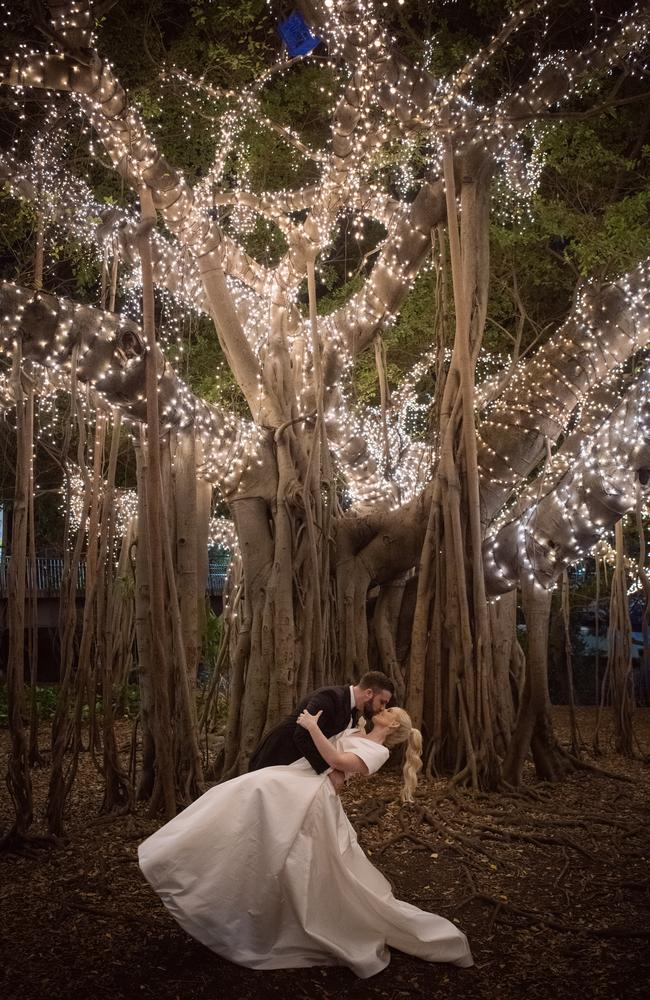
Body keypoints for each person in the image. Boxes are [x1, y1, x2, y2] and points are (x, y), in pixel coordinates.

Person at [138, 705, 473, 978]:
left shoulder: (378, 751)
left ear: (394, 722)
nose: (382, 709)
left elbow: (339, 762)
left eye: (388, 710)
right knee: (245, 794)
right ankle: (194, 863)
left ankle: (261, 911)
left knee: (265, 806)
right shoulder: (359, 732)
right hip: (301, 783)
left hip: (313, 797)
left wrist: (313, 727)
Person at [248, 670, 394, 773]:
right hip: (277, 757)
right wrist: (328, 771)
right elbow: (302, 735)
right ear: (369, 693)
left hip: (298, 767)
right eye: (382, 702)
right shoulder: (329, 697)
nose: (382, 708)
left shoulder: (353, 710)